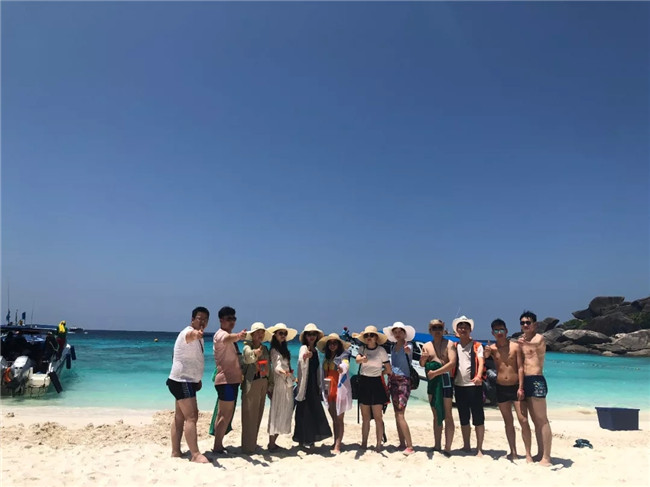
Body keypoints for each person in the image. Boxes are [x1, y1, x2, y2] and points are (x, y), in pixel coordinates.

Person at [484, 319, 532, 461]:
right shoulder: (492, 349)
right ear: (492, 333)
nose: (499, 333)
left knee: (523, 420)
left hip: (516, 387)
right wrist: (486, 353)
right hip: (500, 388)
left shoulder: (515, 347)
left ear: (506, 331)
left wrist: (521, 387)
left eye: (501, 330)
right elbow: (484, 359)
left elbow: (521, 367)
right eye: (496, 330)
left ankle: (528, 453)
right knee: (508, 422)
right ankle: (513, 452)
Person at [166, 306, 210, 463]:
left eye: (205, 319)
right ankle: (195, 454)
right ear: (192, 319)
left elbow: (192, 358)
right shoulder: (188, 332)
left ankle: (176, 451)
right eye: (199, 318)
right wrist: (196, 334)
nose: (202, 322)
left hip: (185, 380)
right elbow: (191, 336)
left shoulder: (199, 337)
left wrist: (197, 379)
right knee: (191, 416)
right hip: (182, 380)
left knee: (179, 417)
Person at [518, 311, 553, 466]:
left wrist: (519, 343)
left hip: (536, 380)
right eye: (523, 323)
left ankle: (547, 457)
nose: (525, 325)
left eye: (528, 322)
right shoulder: (522, 340)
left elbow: (533, 346)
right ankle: (540, 452)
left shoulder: (539, 339)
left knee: (542, 419)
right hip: (524, 380)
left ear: (535, 324)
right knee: (534, 420)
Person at [212, 306, 247, 454]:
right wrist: (239, 336)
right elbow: (227, 339)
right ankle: (217, 446)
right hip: (226, 380)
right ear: (221, 320)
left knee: (223, 414)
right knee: (225, 415)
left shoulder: (229, 336)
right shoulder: (221, 334)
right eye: (229, 319)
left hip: (230, 380)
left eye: (234, 318)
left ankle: (218, 444)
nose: (232, 321)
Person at [293, 323, 332, 453]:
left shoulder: (316, 350)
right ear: (305, 336)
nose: (311, 336)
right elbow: (300, 360)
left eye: (314, 334)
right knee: (303, 412)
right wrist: (305, 357)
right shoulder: (303, 348)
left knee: (313, 412)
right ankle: (302, 440)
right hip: (305, 386)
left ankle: (311, 440)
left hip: (314, 385)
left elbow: (317, 369)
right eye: (309, 334)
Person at [420, 319, 456, 457]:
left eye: (439, 327)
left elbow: (452, 363)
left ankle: (448, 447)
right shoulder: (427, 345)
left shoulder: (449, 344)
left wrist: (436, 372)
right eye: (434, 328)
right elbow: (422, 364)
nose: (437, 330)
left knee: (448, 414)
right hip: (433, 382)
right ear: (430, 330)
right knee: (435, 414)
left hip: (445, 380)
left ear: (443, 329)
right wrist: (423, 359)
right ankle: (437, 445)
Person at [353, 325, 392, 452]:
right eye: (367, 335)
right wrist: (362, 359)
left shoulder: (381, 351)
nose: (369, 337)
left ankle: (378, 444)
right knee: (365, 418)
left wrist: (380, 373)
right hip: (364, 383)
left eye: (371, 335)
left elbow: (388, 369)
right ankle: (364, 443)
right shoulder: (362, 349)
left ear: (376, 338)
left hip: (377, 383)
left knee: (378, 417)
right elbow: (357, 360)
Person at [451, 316, 485, 456]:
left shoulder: (477, 346)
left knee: (478, 417)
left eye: (466, 327)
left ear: (470, 330)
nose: (463, 329)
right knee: (463, 417)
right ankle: (466, 445)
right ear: (457, 330)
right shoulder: (454, 346)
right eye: (461, 327)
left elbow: (481, 362)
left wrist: (478, 376)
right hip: (459, 385)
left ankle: (479, 448)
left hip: (474, 385)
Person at [382, 322, 416, 455]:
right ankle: (402, 443)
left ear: (404, 333)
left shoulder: (408, 345)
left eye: (400, 332)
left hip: (403, 381)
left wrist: (407, 351)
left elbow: (409, 352)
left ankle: (410, 446)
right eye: (395, 332)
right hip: (393, 380)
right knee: (397, 413)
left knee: (400, 413)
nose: (397, 334)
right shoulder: (392, 347)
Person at [240, 322, 273, 454]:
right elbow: (248, 358)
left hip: (263, 382)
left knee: (258, 414)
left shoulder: (265, 348)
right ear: (252, 334)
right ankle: (247, 447)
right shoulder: (247, 347)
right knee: (249, 416)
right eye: (258, 332)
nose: (260, 335)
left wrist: (270, 384)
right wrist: (255, 353)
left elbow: (269, 367)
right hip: (251, 383)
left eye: (262, 333)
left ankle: (252, 443)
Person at [317, 332, 352, 454]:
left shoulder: (343, 355)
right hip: (328, 389)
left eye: (335, 343)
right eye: (330, 343)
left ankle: (338, 444)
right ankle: (335, 440)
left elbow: (345, 364)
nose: (332, 345)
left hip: (339, 389)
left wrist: (342, 368)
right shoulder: (326, 358)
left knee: (339, 418)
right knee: (333, 418)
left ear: (339, 345)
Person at [266, 323, 297, 451]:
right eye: (280, 333)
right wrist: (284, 372)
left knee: (285, 411)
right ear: (275, 335)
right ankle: (271, 443)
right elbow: (276, 366)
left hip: (287, 382)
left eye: (285, 333)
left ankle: (273, 442)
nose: (283, 335)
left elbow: (286, 366)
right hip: (279, 383)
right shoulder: (274, 350)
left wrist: (292, 376)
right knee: (277, 411)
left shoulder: (284, 350)